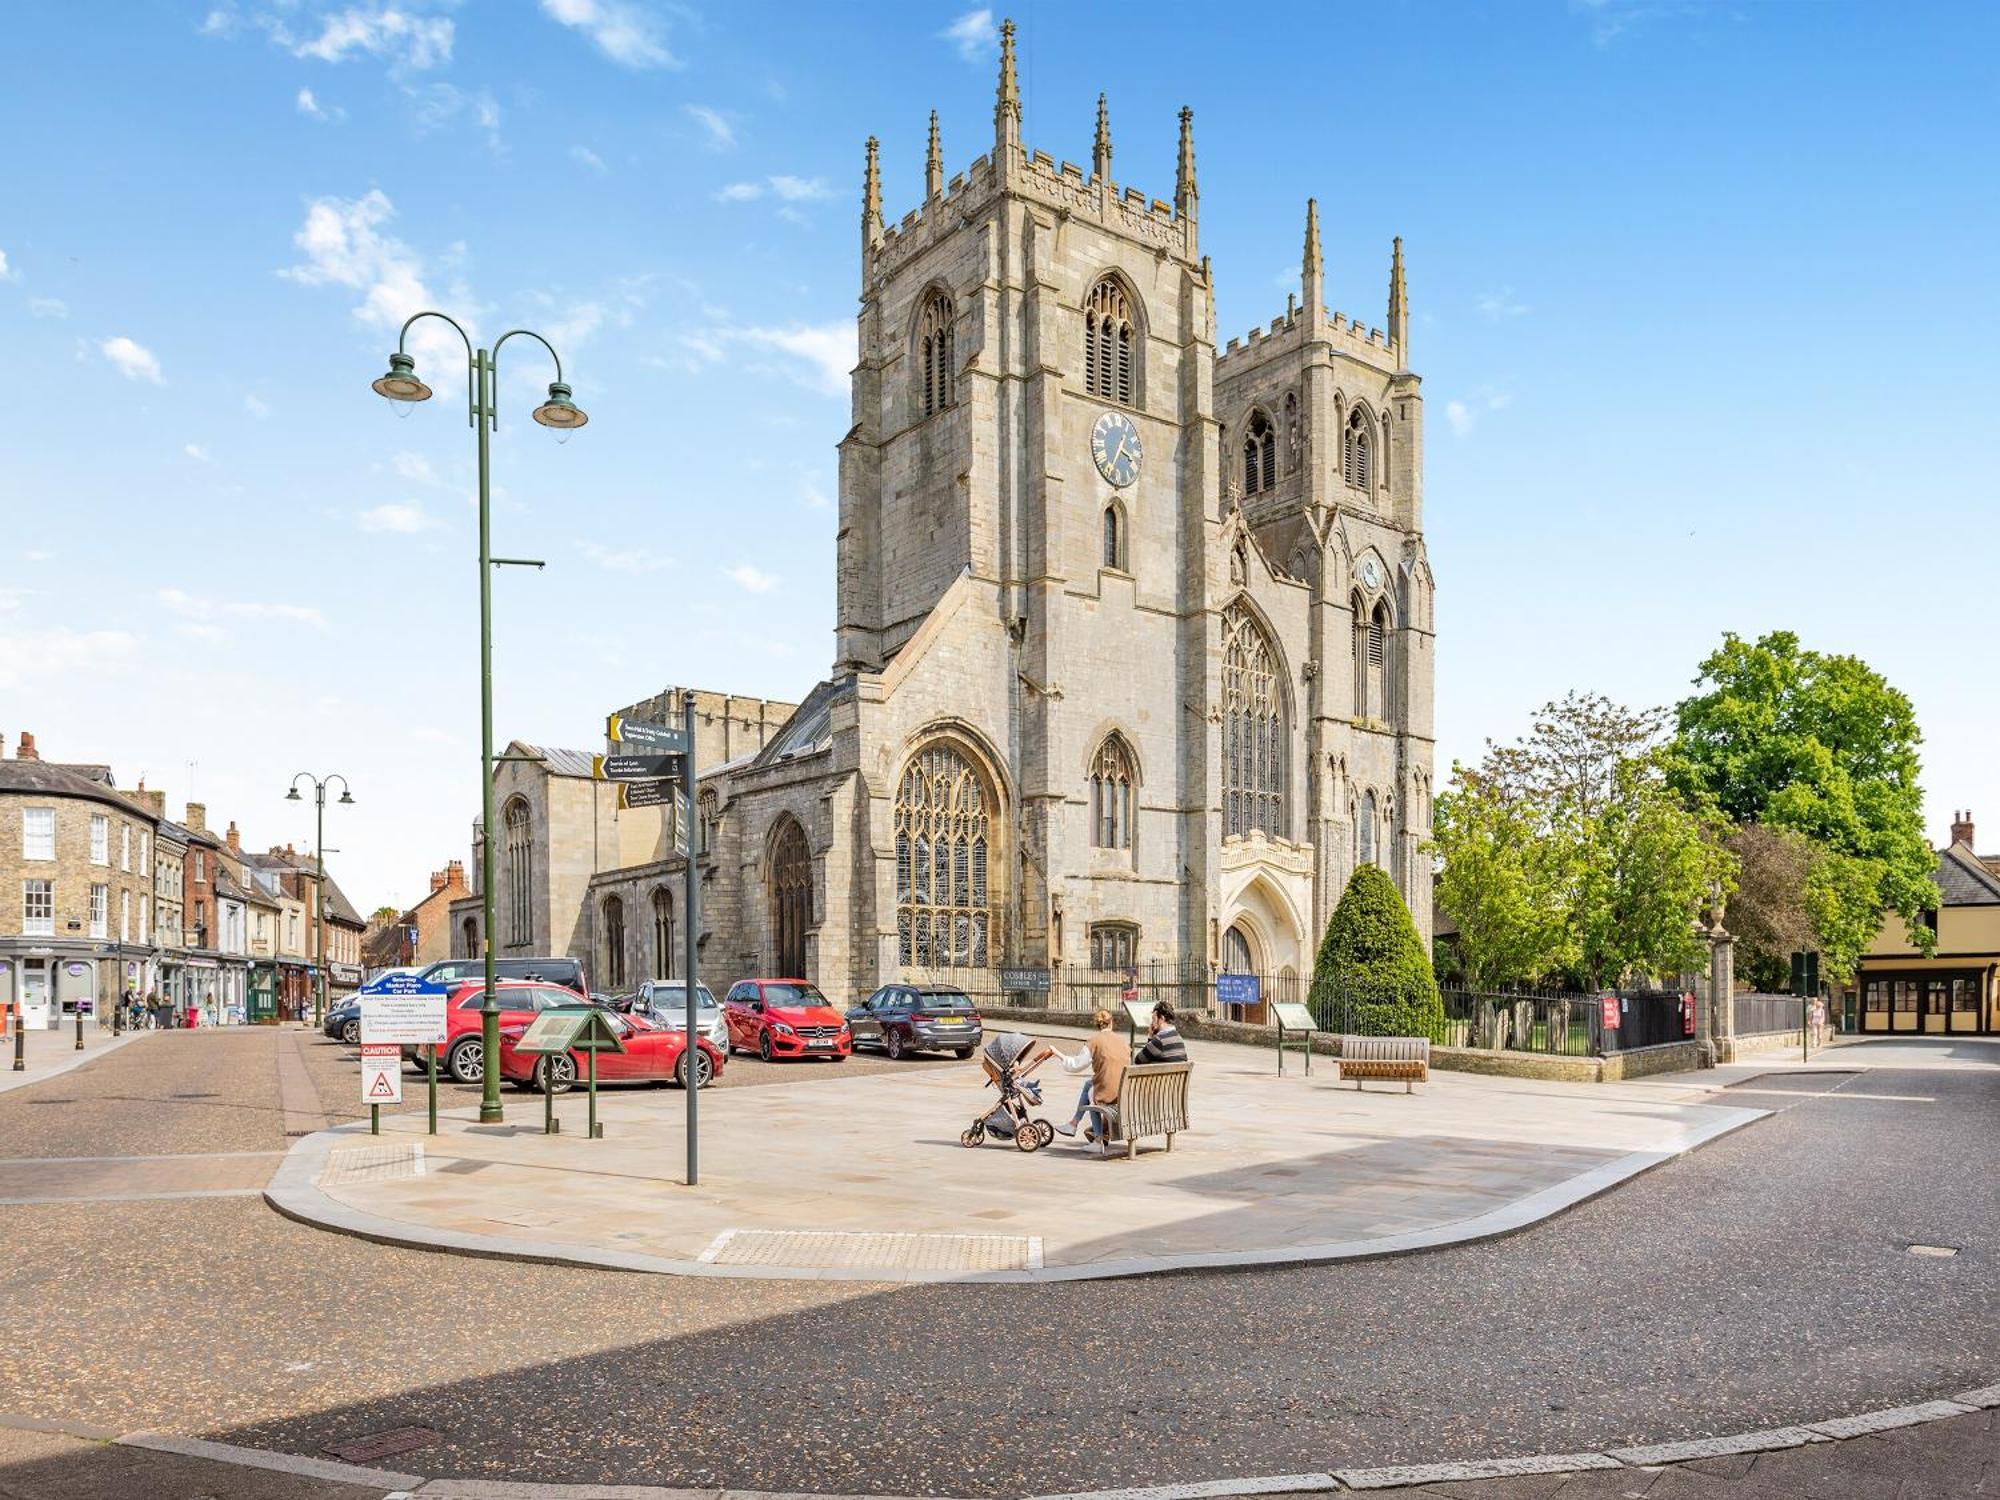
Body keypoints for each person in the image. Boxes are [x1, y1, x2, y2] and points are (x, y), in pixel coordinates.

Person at [1054, 1008, 1129, 1146]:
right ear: (1111, 1023)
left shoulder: (1094, 1041)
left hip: (1108, 1094)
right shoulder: (1123, 1042)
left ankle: (1098, 1140)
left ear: (1097, 1025)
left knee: (1092, 1094)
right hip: (1123, 1093)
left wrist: (1059, 1055)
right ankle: (1073, 1123)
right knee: (1089, 1085)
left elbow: (1075, 1065)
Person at [1132, 999, 1188, 1065]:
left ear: (1161, 1018)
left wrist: (1150, 1037)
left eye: (1153, 1019)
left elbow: (1138, 1060)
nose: (1152, 1023)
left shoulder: (1159, 1040)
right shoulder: (1179, 1038)